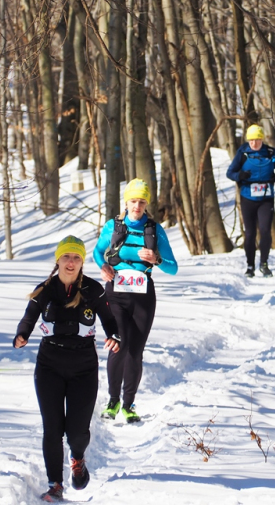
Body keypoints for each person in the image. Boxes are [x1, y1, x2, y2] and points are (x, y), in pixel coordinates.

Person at [13, 236, 121, 503]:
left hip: (83, 367)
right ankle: (55, 485)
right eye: (66, 257)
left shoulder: (93, 289)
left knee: (77, 432)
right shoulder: (45, 290)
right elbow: (28, 318)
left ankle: (78, 457)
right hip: (49, 365)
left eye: (76, 258)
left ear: (82, 262)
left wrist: (114, 336)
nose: (71, 263)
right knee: (52, 428)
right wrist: (21, 335)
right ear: (58, 260)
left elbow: (109, 320)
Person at [93, 178, 178, 423]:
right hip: (115, 292)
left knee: (135, 351)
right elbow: (98, 252)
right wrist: (103, 267)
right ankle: (112, 401)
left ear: (146, 203)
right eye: (133, 201)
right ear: (126, 202)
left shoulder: (154, 229)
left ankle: (128, 404)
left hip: (143, 296)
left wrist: (156, 259)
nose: (137, 206)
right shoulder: (114, 226)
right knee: (117, 344)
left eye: (141, 202)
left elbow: (173, 267)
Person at [226, 124, 275, 278]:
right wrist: (240, 176)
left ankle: (264, 264)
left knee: (265, 231)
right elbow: (230, 172)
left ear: (262, 139)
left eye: (257, 140)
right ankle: (250, 265)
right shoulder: (243, 153)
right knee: (250, 233)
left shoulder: (270, 153)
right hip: (248, 198)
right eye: (251, 140)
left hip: (266, 199)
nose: (254, 143)